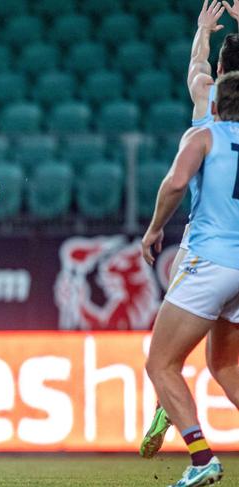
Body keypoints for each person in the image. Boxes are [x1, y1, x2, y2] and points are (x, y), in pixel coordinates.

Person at [140, 0, 239, 459]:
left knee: (162, 358)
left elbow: (196, 67)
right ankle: (169, 399)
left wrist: (204, 31)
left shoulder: (207, 104)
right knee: (226, 364)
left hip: (204, 242)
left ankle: (190, 440)